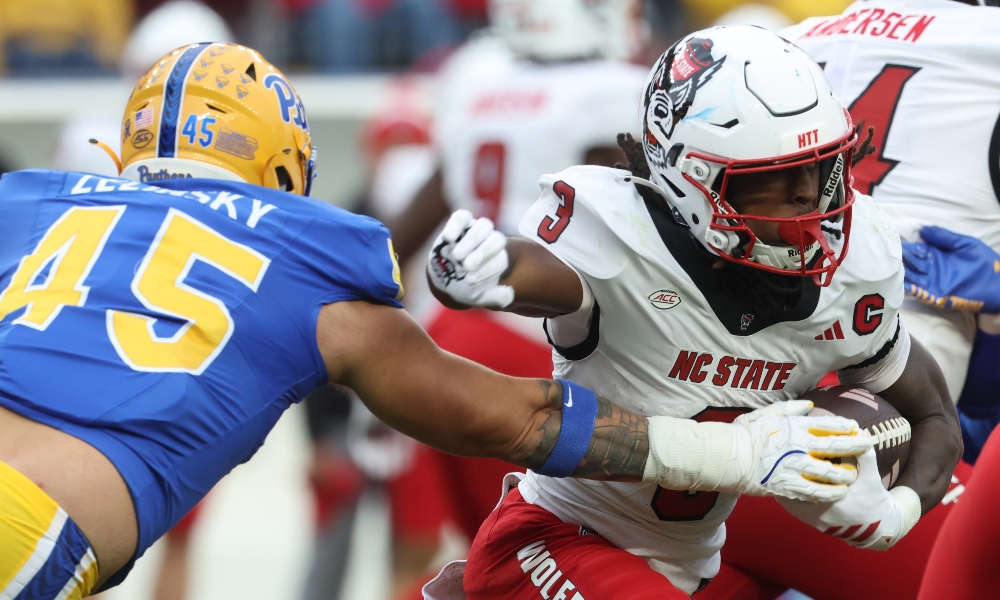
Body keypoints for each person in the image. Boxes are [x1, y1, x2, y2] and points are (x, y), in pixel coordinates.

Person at [0, 41, 869, 599]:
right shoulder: (305, 257)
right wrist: (735, 453)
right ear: (282, 171)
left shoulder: (21, 203)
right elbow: (526, 419)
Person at [422, 25, 963, 599]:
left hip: (696, 563)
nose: (810, 195)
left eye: (822, 167)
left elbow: (935, 418)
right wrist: (480, 267)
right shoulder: (623, 242)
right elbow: (533, 273)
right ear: (692, 180)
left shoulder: (854, 270)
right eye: (775, 177)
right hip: (560, 539)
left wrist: (897, 513)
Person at [383, 1, 651, 594]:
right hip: (531, 339)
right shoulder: (618, 89)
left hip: (446, 338)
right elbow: (643, 221)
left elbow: (399, 237)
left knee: (486, 554)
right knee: (557, 553)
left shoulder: (480, 93)